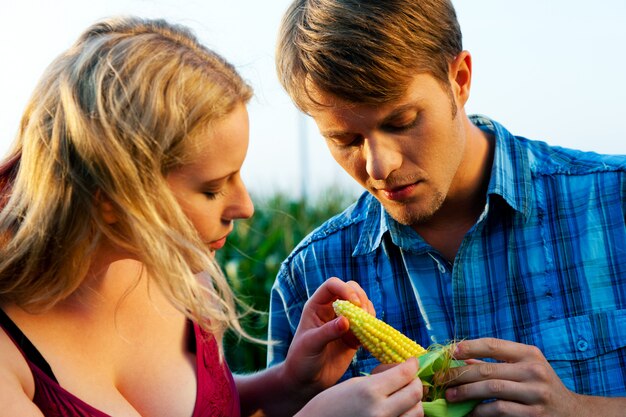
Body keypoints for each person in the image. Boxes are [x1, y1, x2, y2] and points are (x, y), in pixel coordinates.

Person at [0, 16, 426, 417]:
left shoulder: (185, 272)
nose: (245, 207)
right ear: (111, 197)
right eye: (212, 188)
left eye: (238, 175)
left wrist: (290, 383)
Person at [268, 0, 626, 415]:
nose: (380, 166)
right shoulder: (307, 277)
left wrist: (582, 410)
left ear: (459, 79)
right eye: (346, 141)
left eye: (401, 122)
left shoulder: (614, 202)